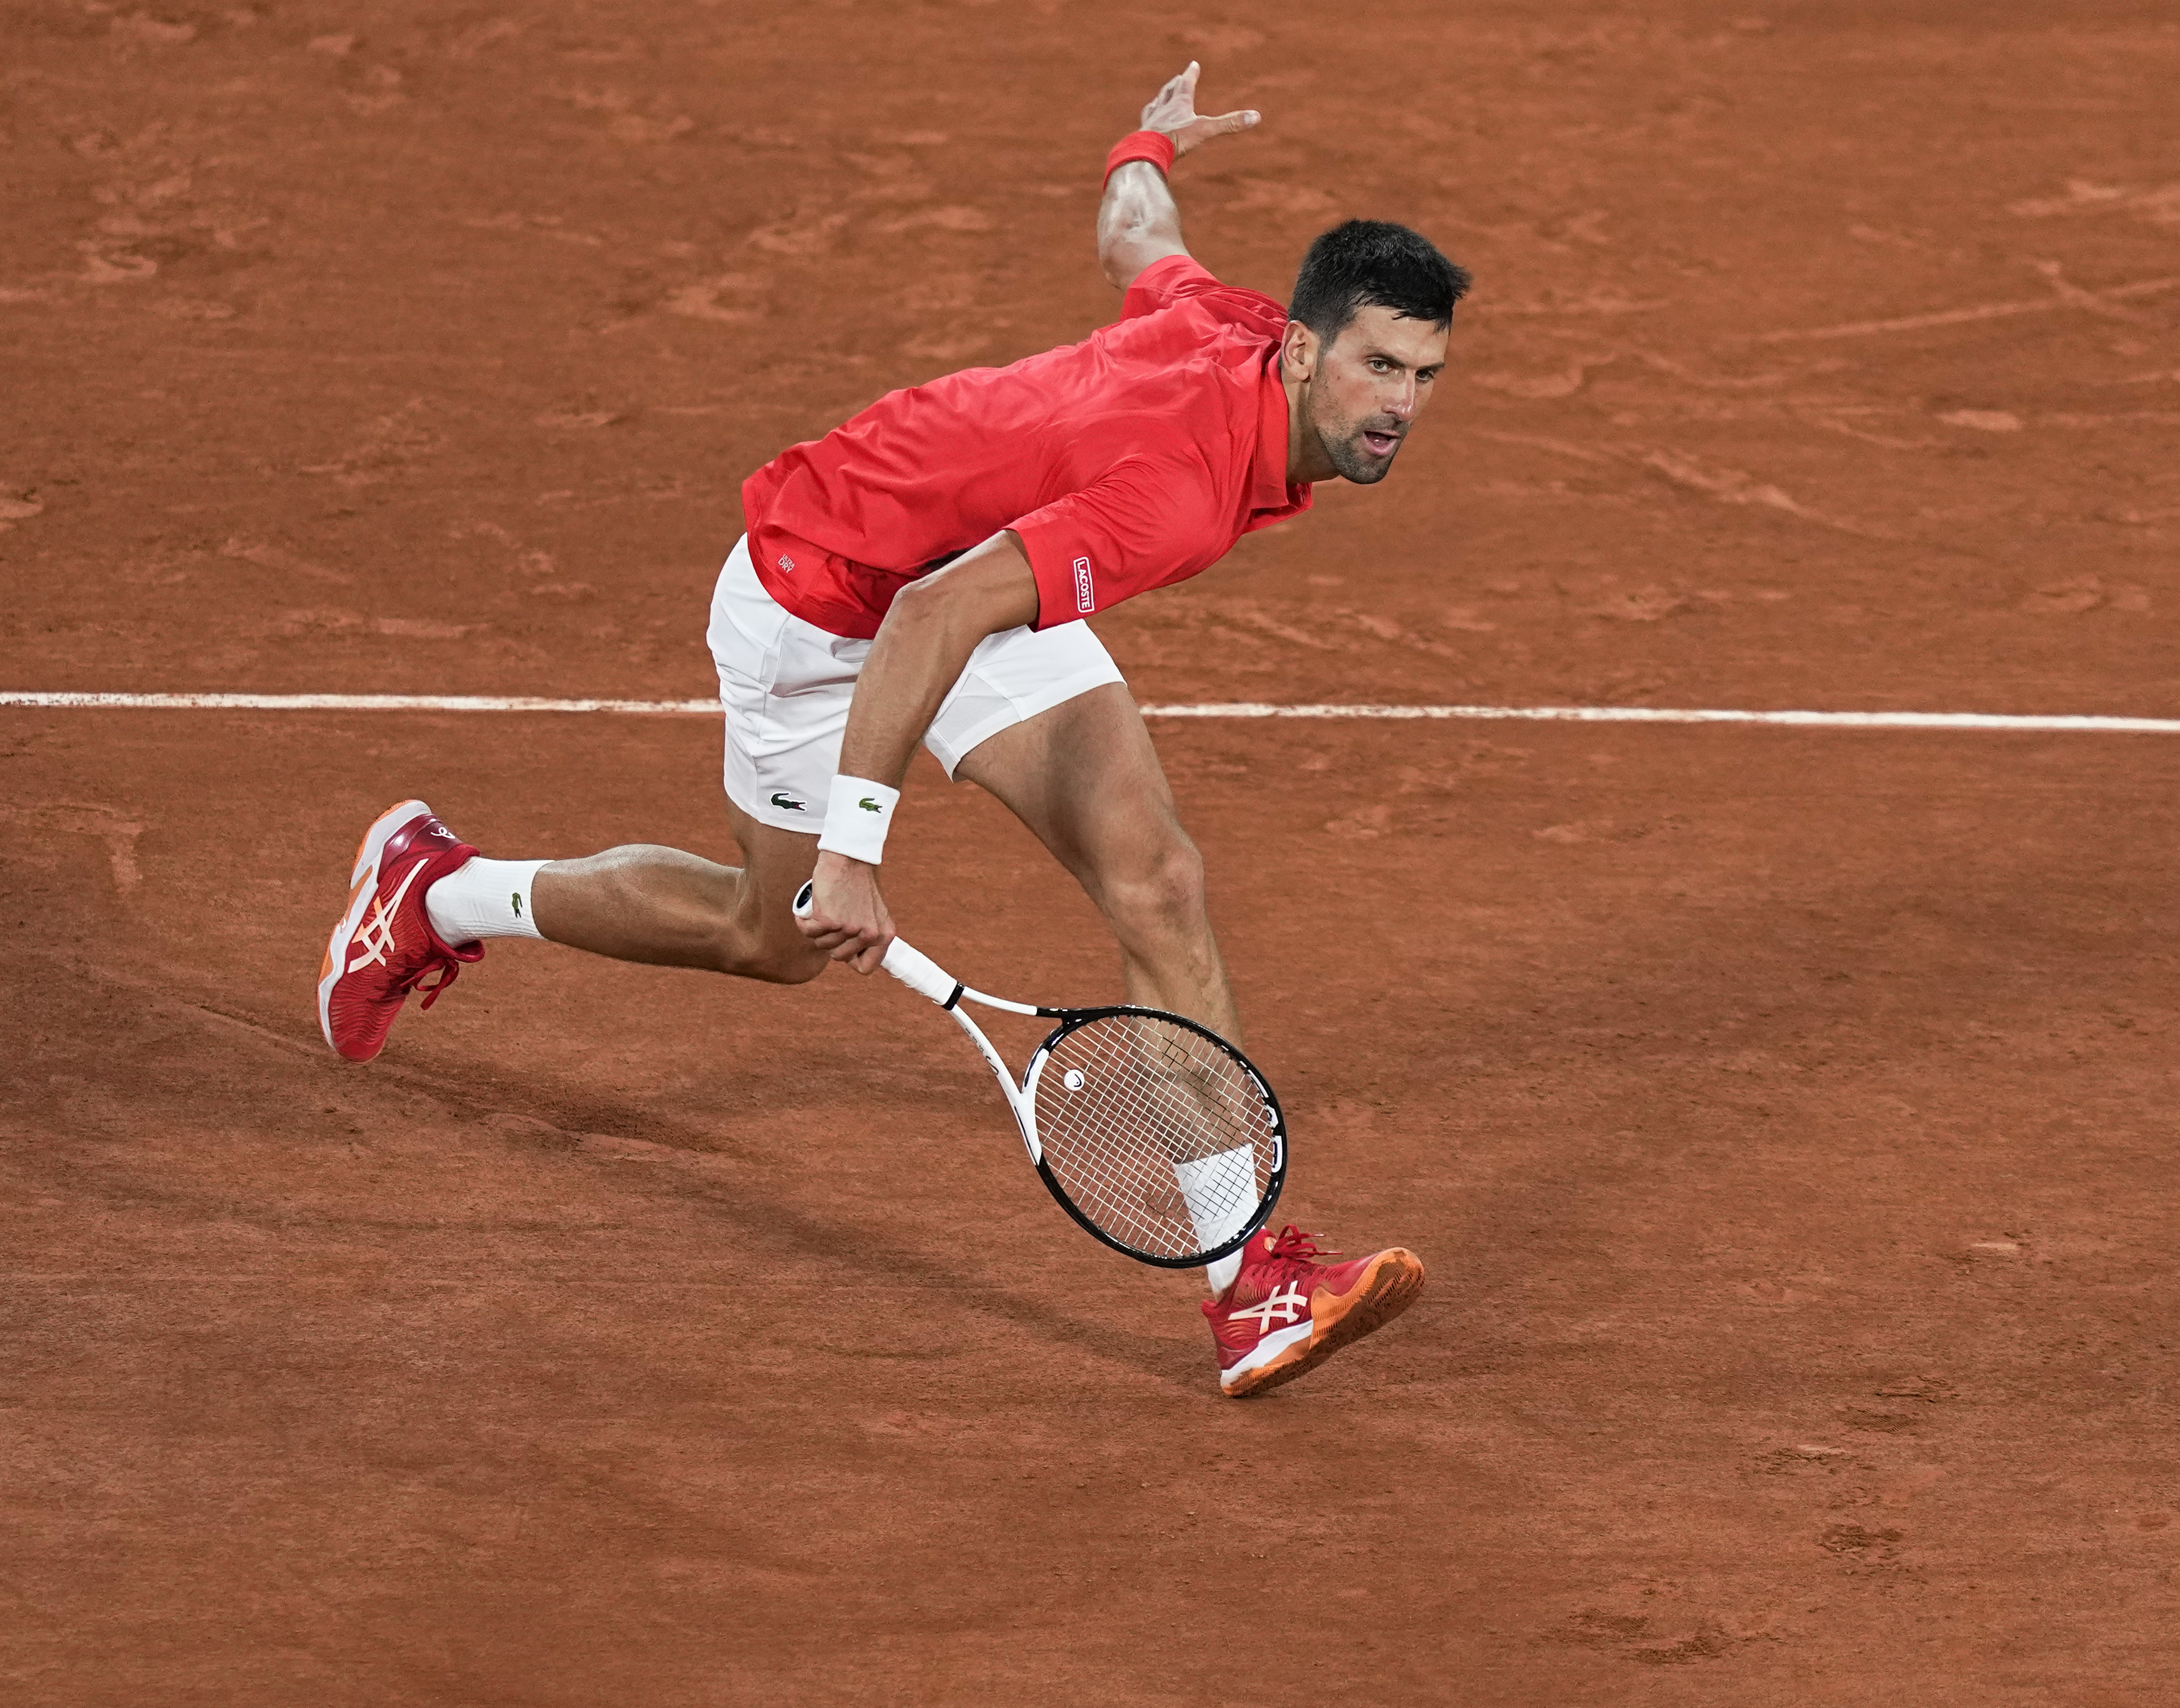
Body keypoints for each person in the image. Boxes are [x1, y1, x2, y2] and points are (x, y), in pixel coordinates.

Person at [315, 65, 1469, 1399]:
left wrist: (1146, 141)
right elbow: (926, 616)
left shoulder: (1232, 325)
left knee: (1156, 877)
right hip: (823, 597)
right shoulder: (1179, 487)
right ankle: (439, 894)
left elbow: (1137, 238)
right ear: (1305, 351)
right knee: (766, 936)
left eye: (1424, 374)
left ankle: (1247, 1285)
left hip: (974, 575)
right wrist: (853, 853)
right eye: (1379, 366)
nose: (1400, 404)